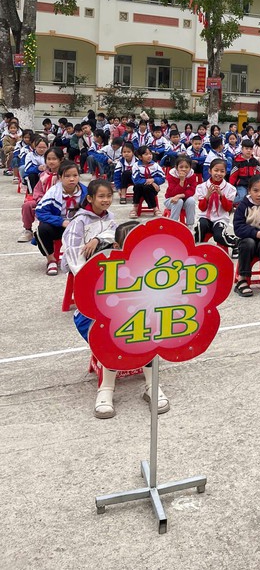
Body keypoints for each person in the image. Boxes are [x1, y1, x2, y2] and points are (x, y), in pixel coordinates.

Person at [72, 219, 171, 418]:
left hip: (139, 322)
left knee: (151, 325)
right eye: (131, 245)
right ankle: (106, 387)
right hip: (99, 320)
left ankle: (152, 384)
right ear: (117, 247)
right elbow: (88, 301)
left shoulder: (155, 269)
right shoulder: (104, 267)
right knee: (110, 332)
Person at [35, 161, 87, 275]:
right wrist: (61, 221)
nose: (72, 179)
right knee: (41, 230)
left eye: (75, 175)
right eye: (67, 176)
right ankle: (51, 260)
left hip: (80, 226)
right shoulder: (54, 192)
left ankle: (83, 258)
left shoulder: (85, 192)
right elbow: (40, 212)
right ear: (60, 177)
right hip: (61, 226)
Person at [18, 147, 64, 242]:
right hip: (42, 201)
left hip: (58, 204)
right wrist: (40, 200)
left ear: (61, 160)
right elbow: (37, 190)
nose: (51, 162)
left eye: (54, 159)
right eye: (48, 159)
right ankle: (28, 230)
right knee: (27, 206)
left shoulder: (64, 175)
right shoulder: (44, 175)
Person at [195, 159, 237, 249]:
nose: (219, 173)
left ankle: (236, 242)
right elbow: (202, 208)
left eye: (222, 171)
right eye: (216, 170)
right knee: (200, 226)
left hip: (220, 218)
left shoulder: (230, 189)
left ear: (225, 173)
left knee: (218, 236)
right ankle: (197, 247)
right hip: (205, 217)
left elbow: (227, 208)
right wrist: (207, 196)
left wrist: (221, 195)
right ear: (210, 171)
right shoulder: (201, 187)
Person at [164, 156, 197, 229]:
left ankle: (190, 225)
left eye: (186, 167)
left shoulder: (192, 176)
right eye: (181, 167)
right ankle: (173, 225)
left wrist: (180, 196)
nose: (184, 169)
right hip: (170, 200)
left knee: (191, 200)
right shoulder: (171, 176)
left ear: (190, 167)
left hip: (184, 199)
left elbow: (192, 190)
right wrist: (181, 181)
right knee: (178, 202)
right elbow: (173, 193)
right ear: (176, 167)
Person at [130, 146, 164, 217]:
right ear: (140, 157)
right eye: (146, 154)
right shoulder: (136, 166)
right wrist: (150, 182)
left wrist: (154, 180)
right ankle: (135, 208)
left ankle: (155, 209)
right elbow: (136, 180)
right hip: (139, 188)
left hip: (152, 189)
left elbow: (162, 178)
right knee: (138, 186)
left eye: (150, 154)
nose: (149, 156)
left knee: (147, 188)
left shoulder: (155, 165)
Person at [229, 139, 260, 206]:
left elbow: (259, 174)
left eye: (250, 149)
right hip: (241, 184)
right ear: (242, 149)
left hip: (252, 184)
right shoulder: (237, 161)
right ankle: (229, 203)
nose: (249, 150)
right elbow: (233, 176)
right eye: (246, 148)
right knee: (242, 196)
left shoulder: (254, 161)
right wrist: (231, 187)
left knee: (255, 197)